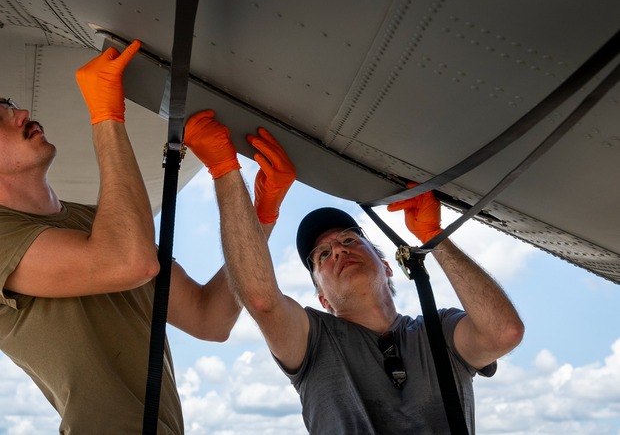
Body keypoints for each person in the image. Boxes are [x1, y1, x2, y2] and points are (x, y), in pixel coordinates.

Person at [0, 41, 246, 434]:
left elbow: (209, 318)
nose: (20, 113)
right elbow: (131, 261)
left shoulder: (103, 224)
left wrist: (260, 209)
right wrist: (106, 116)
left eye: (9, 105)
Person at [182, 110, 525, 434]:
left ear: (387, 266)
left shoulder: (440, 332)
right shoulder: (313, 340)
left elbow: (503, 332)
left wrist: (435, 240)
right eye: (323, 255)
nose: (340, 250)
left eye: (349, 239)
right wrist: (225, 170)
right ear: (322, 298)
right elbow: (261, 299)